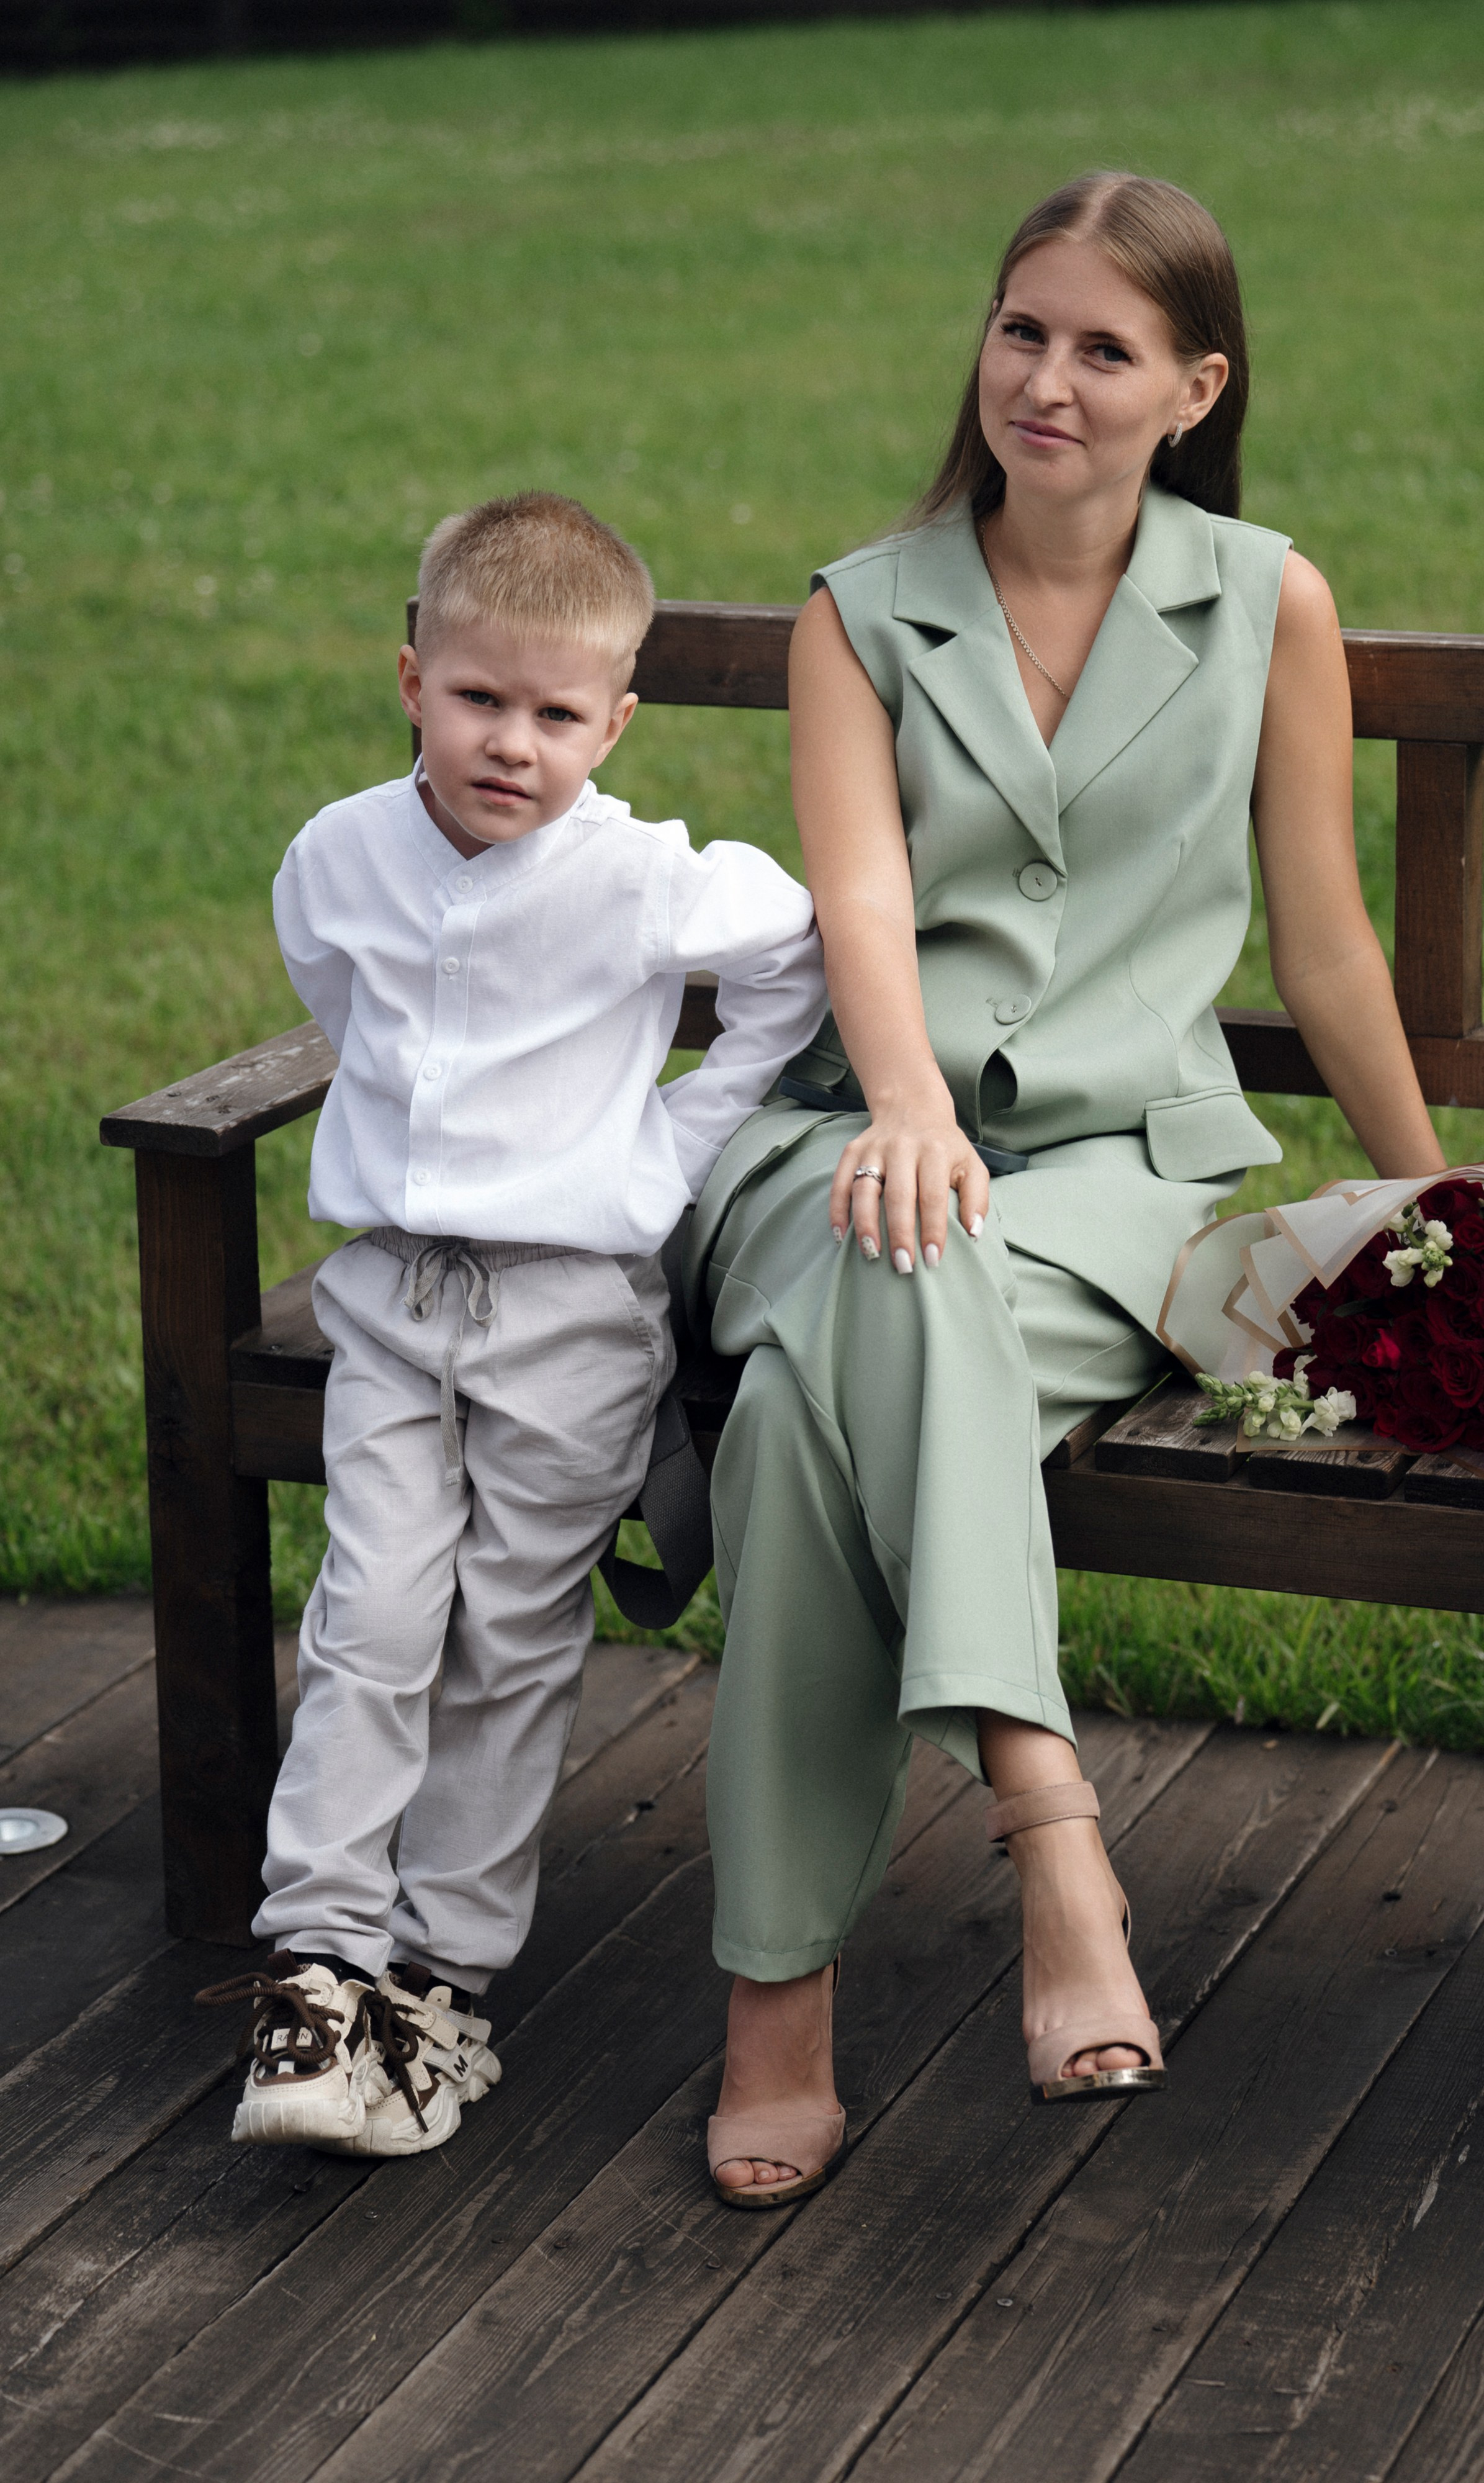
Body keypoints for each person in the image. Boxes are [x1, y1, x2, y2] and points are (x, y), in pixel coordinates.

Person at [688, 173, 1448, 2207]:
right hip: (838, 1146)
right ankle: (1052, 1825)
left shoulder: (1266, 603)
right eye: (1024, 329)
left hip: (1124, 1185)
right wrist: (913, 1106)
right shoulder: (865, 612)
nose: (1049, 378)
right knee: (893, 1253)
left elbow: (1329, 946)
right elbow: (860, 897)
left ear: (1194, 388)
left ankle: (778, 2002)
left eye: (1106, 349)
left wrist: (1436, 1207)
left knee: (789, 1418)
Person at [199, 492, 826, 2158]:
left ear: (615, 724)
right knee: (371, 1613)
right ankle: (316, 1962)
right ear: (413, 679)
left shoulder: (642, 880)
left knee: (503, 1643)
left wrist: (672, 1144)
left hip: (568, 1320)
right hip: (397, 1304)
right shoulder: (340, 852)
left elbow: (798, 962)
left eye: (558, 715)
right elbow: (342, 994)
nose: (513, 744)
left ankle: (440, 1991)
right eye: (482, 699)